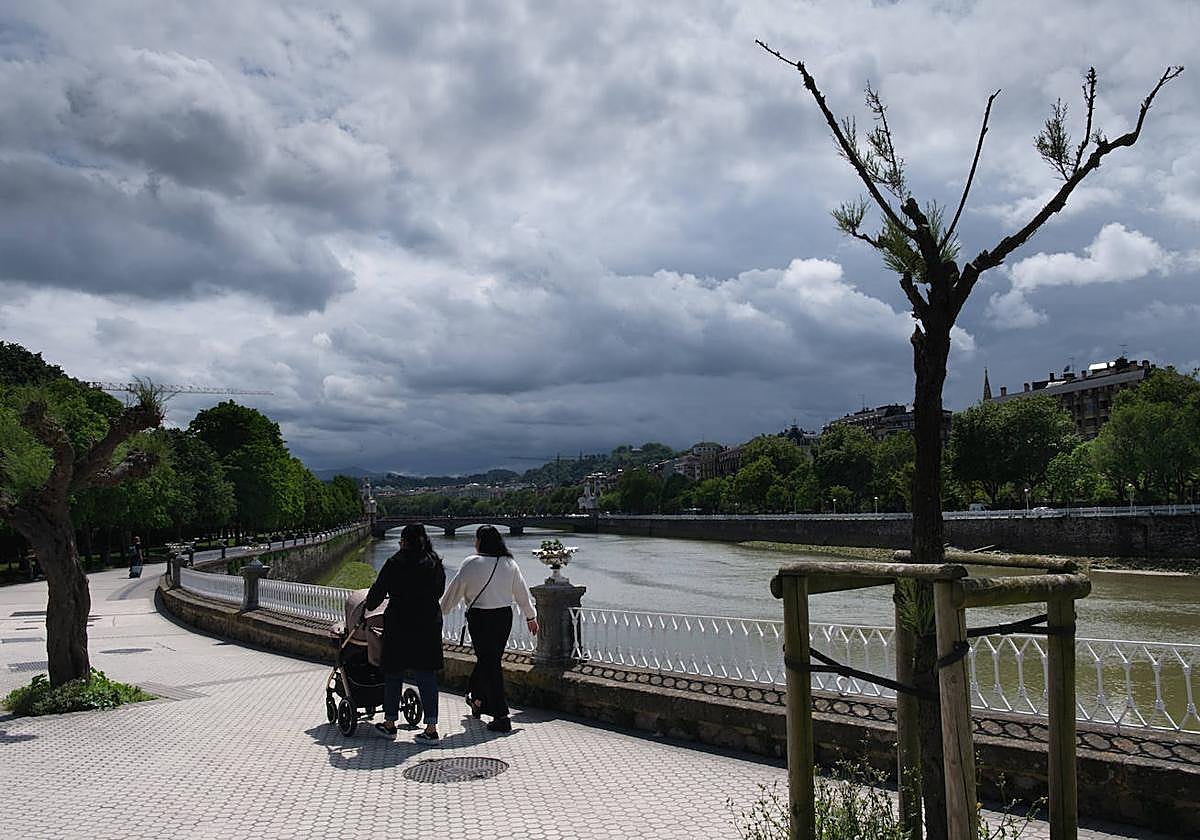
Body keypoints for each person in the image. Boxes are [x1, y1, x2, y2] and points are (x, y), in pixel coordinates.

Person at [441, 524, 539, 733]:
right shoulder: (509, 562)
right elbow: (521, 592)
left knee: (489, 662)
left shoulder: (471, 563)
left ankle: (501, 715)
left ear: (480, 541)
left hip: (481, 618)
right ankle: (477, 699)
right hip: (504, 617)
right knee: (490, 660)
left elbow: (454, 592)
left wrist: (440, 612)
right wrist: (531, 616)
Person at [364, 524, 445, 741]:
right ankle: (431, 728)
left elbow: (376, 595)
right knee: (426, 675)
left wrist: (370, 604)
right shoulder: (434, 562)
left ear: (404, 541)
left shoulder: (394, 563)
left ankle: (390, 723)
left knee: (393, 673)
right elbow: (439, 591)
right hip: (427, 624)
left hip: (399, 624)